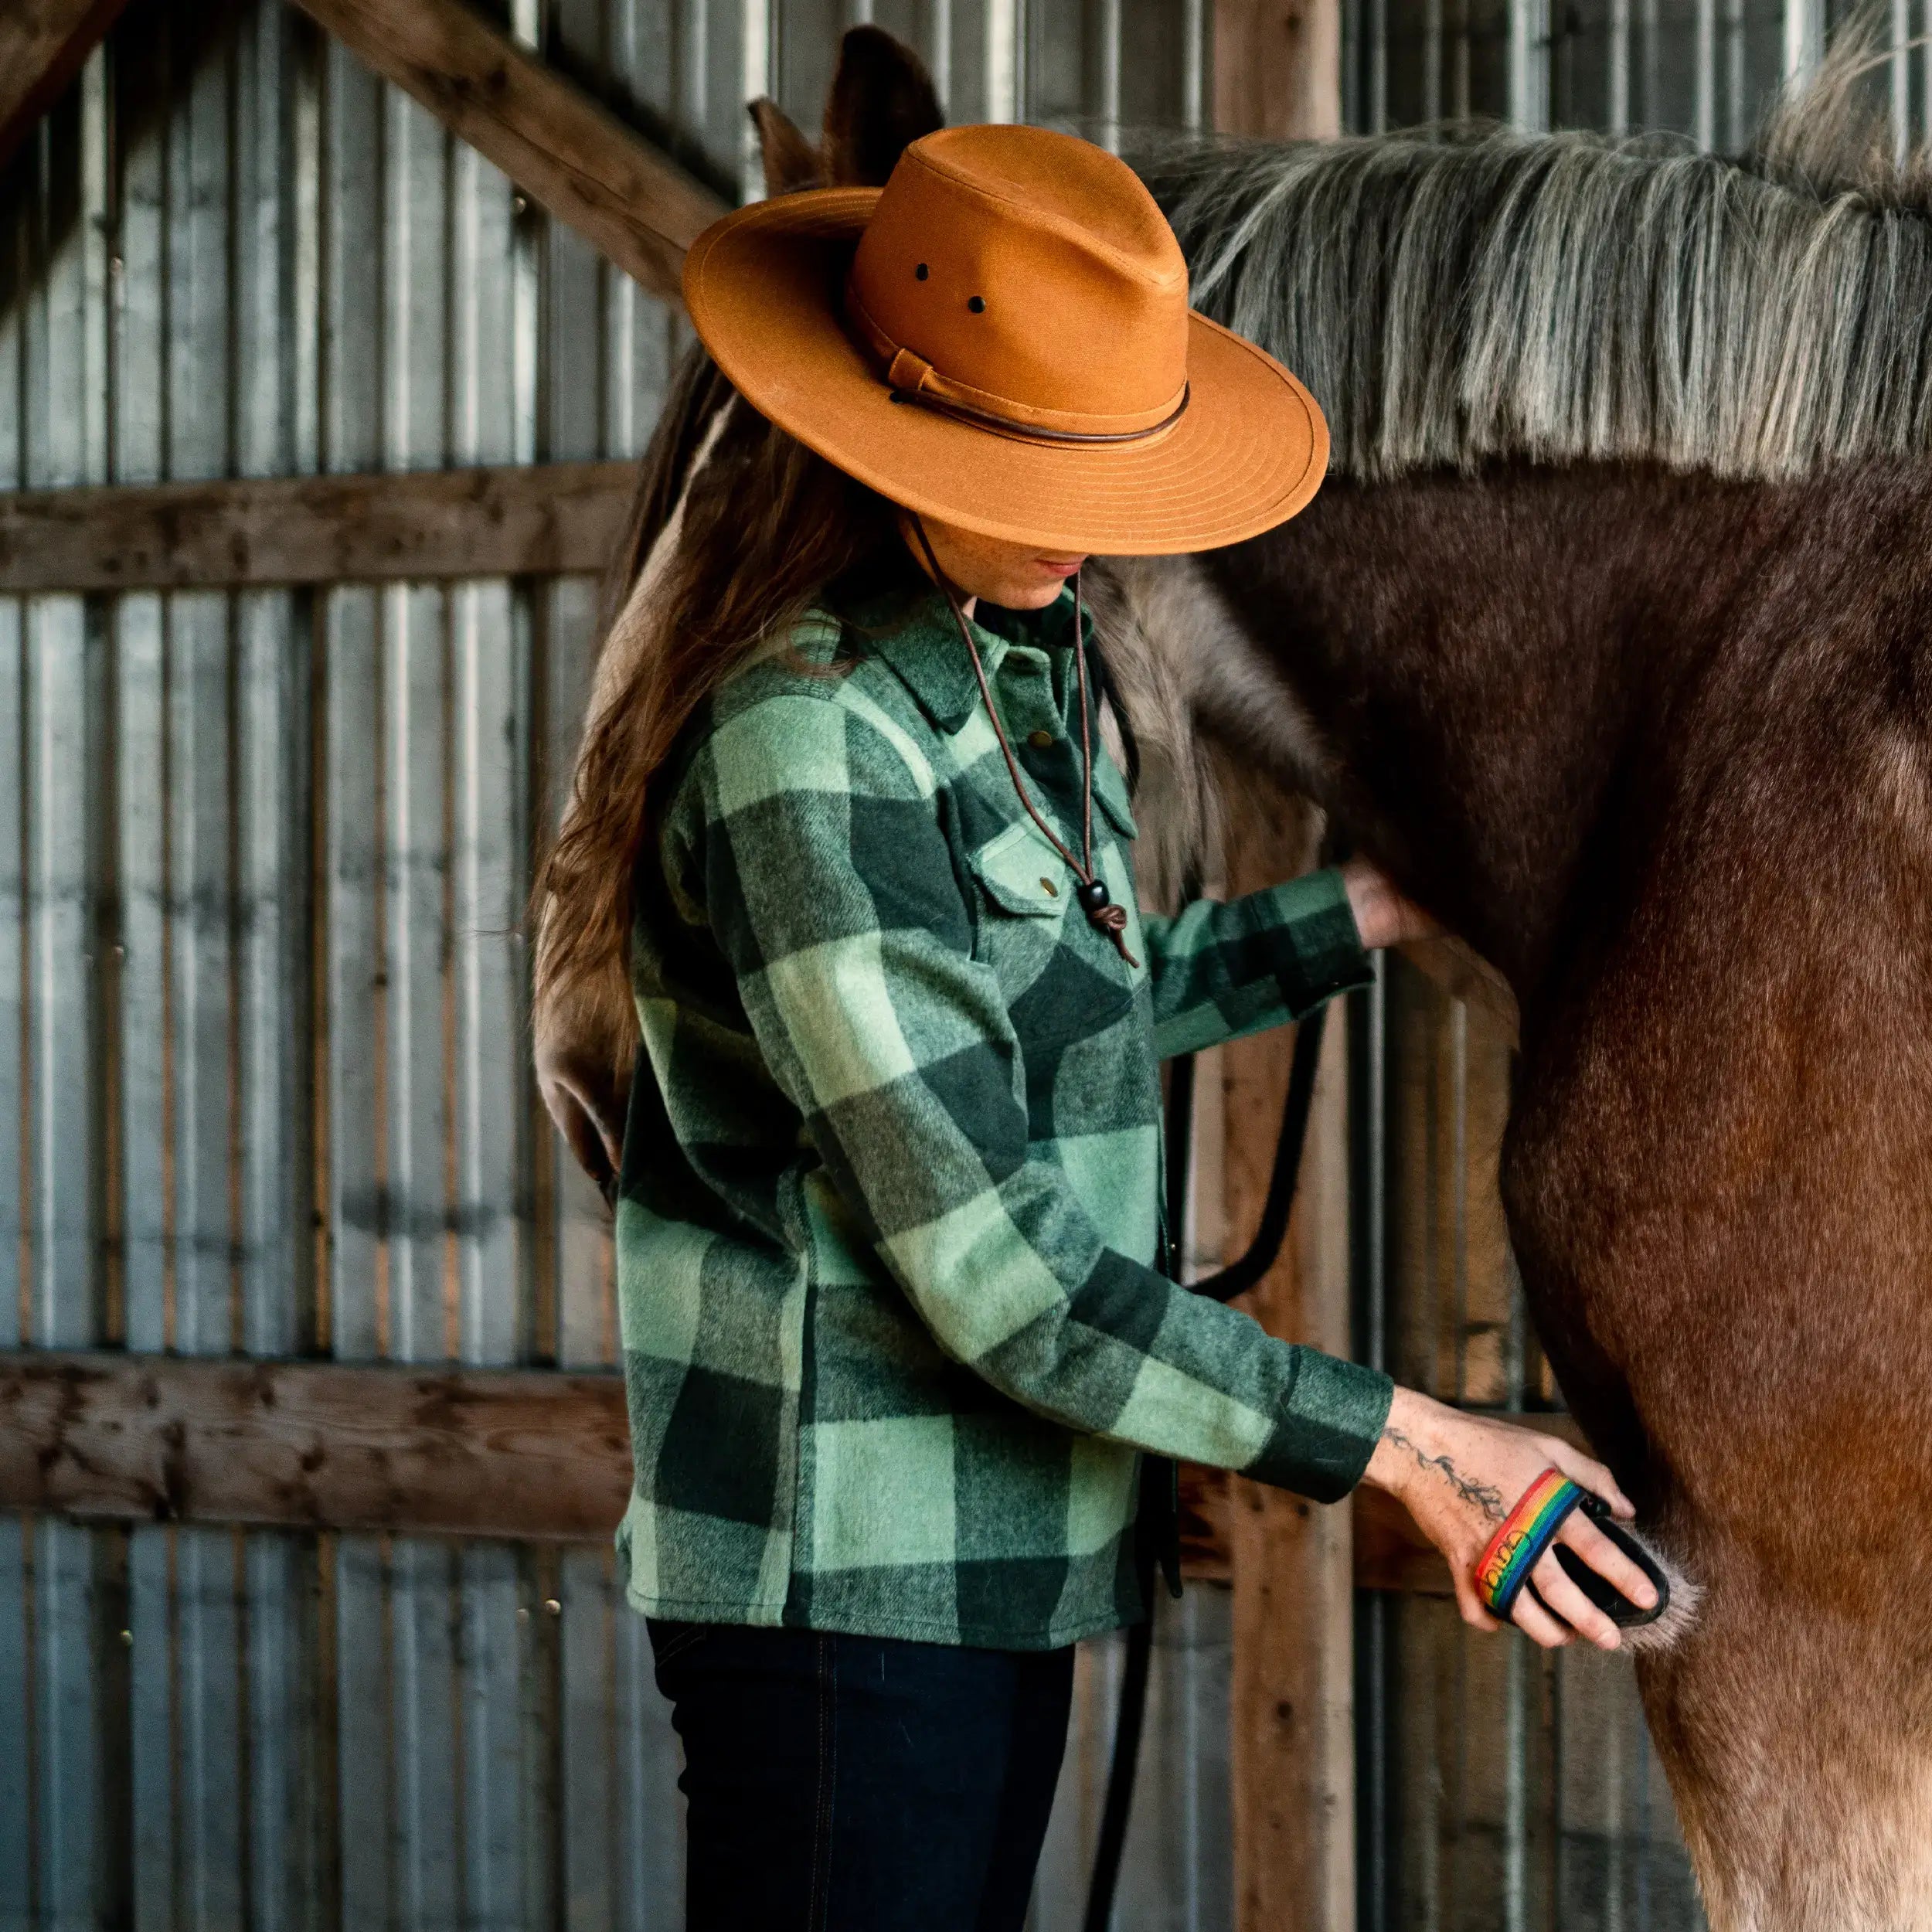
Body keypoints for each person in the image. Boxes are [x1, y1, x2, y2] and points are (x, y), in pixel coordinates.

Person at [535, 121, 1658, 1932]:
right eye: (1031, 472)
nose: (1088, 528)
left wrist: (1363, 911)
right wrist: (1429, 1450)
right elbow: (1004, 1279)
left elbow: (1063, 1019)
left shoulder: (1002, 664)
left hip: (1012, 1556)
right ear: (887, 435)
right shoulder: (806, 744)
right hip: (849, 1586)